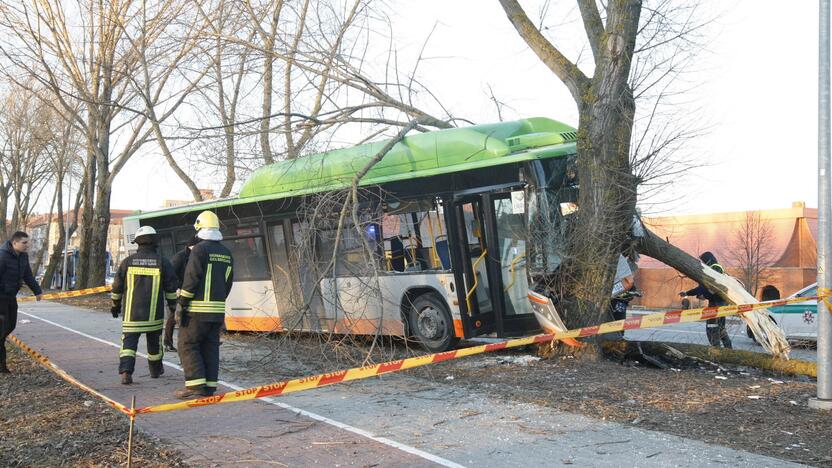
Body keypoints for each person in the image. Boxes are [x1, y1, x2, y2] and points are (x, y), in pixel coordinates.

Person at [175, 211, 233, 399]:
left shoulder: (199, 250)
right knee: (210, 347)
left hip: (196, 311)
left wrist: (182, 302)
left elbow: (191, 278)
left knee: (188, 344)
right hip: (217, 311)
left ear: (199, 228)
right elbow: (228, 282)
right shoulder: (226, 252)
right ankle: (209, 386)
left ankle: (195, 386)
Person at [111, 226, 178, 384]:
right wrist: (173, 307)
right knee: (154, 344)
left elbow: (117, 288)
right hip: (153, 315)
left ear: (138, 243)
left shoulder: (127, 262)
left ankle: (126, 372)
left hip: (131, 315)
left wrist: (115, 306)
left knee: (128, 344)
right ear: (155, 242)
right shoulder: (163, 262)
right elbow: (170, 288)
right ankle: (155, 370)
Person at [0, 231, 42, 373]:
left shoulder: (23, 256)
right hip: (1, 298)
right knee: (1, 330)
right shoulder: (2, 255)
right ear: (14, 243)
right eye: (24, 243)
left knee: (9, 327)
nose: (27, 245)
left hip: (11, 298)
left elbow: (27, 275)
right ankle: (2, 366)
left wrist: (37, 291)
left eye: (27, 242)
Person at [679, 251, 733, 349]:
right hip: (718, 303)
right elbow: (703, 288)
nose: (702, 264)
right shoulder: (713, 269)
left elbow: (713, 288)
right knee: (720, 329)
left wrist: (704, 295)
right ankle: (728, 351)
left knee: (712, 329)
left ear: (708, 260)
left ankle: (717, 353)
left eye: (703, 261)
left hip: (717, 304)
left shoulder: (715, 268)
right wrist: (688, 293)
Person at [164, 236, 201, 352]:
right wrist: (177, 287)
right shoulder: (180, 257)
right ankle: (167, 343)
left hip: (190, 290)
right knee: (173, 316)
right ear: (192, 246)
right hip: (179, 291)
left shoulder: (195, 256)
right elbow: (170, 274)